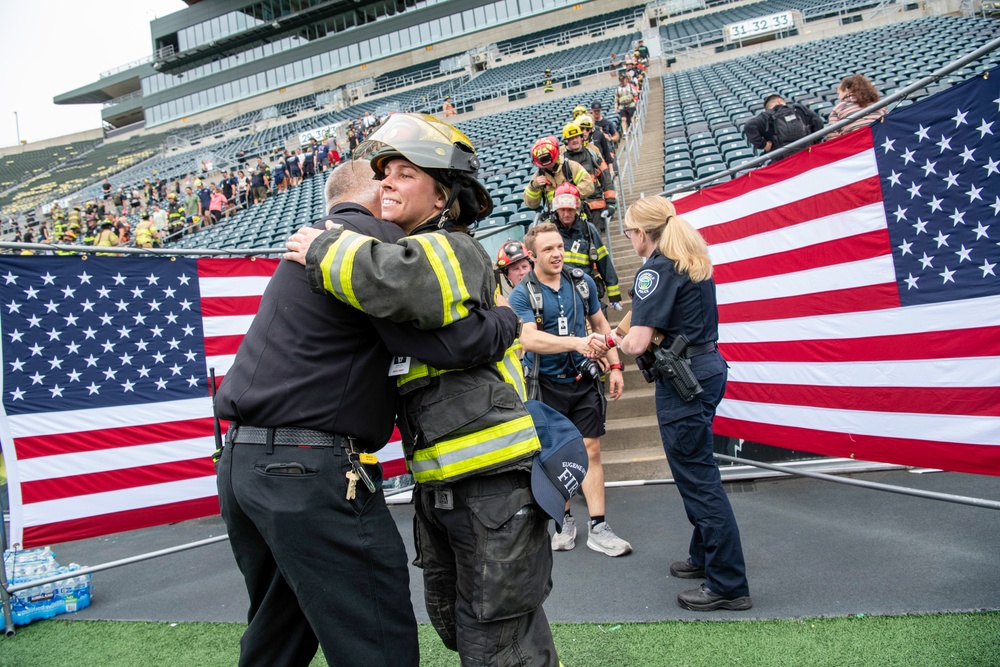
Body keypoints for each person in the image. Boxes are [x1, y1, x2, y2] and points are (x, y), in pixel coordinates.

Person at [216, 161, 520, 667]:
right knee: (375, 638)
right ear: (378, 194)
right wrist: (507, 317)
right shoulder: (370, 246)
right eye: (390, 182)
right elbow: (451, 342)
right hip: (307, 470)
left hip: (240, 465)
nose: (394, 189)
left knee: (279, 632)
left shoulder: (317, 244)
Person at [285, 113, 561, 666]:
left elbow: (391, 278)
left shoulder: (452, 248)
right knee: (467, 627)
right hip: (444, 486)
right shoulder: (417, 251)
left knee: (496, 640)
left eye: (404, 173)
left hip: (489, 485)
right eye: (383, 172)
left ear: (442, 197)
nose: (385, 181)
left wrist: (322, 247)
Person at [609, 195, 752, 612]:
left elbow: (636, 341)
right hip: (706, 369)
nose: (628, 238)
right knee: (697, 467)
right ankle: (705, 557)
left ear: (642, 233)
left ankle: (727, 583)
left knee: (698, 478)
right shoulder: (689, 260)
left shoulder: (655, 269)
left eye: (629, 232)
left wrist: (610, 342)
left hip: (684, 380)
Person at [509, 222, 631, 558]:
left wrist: (615, 365)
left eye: (559, 247)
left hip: (583, 381)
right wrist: (575, 343)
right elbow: (528, 338)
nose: (557, 253)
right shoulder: (523, 293)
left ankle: (599, 527)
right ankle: (564, 520)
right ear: (532, 255)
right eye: (548, 249)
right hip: (545, 385)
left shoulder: (582, 282)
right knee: (555, 456)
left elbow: (601, 325)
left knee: (591, 450)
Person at [547, 183, 621, 309]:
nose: (566, 214)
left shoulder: (588, 229)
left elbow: (604, 263)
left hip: (586, 293)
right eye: (562, 209)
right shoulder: (546, 232)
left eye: (570, 209)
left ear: (577, 208)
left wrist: (614, 296)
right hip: (557, 295)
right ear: (556, 209)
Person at [559, 121, 615, 227]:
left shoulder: (592, 154)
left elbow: (605, 179)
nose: (575, 140)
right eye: (571, 138)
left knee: (596, 239)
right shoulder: (561, 161)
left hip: (595, 205)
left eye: (577, 137)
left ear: (581, 138)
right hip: (573, 209)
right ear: (566, 141)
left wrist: (611, 202)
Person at [523, 135, 594, 212]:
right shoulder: (539, 175)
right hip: (553, 218)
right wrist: (533, 186)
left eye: (548, 159)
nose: (548, 166)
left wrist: (569, 193)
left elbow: (589, 185)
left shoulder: (571, 166)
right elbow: (531, 205)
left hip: (574, 214)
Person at [742, 94, 824, 159]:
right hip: (809, 153)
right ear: (780, 101)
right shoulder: (798, 109)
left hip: (784, 161)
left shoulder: (765, 117)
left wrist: (763, 145)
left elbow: (748, 126)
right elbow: (818, 123)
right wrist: (814, 141)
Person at [826, 74, 887, 139]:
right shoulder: (879, 105)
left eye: (839, 93)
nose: (838, 97)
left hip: (856, 144)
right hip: (880, 140)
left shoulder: (839, 107)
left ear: (846, 90)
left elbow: (832, 135)